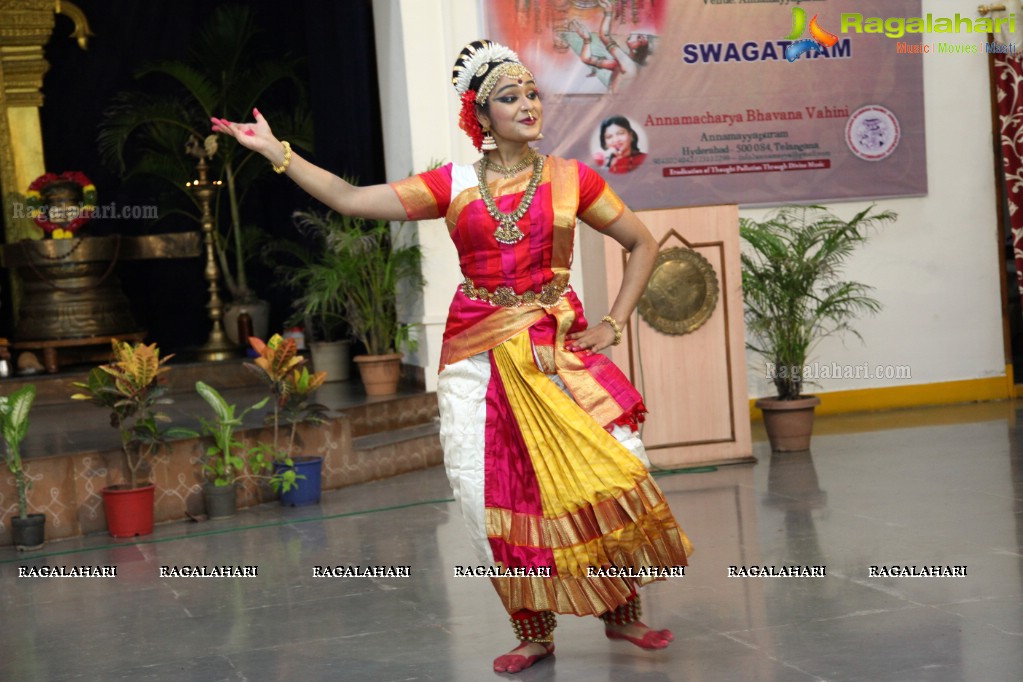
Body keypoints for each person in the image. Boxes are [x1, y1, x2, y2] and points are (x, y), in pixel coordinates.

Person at [211, 38, 691, 675]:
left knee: (603, 471)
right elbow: (355, 201)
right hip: (479, 355)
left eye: (531, 94)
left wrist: (614, 322)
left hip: (554, 351)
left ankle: (622, 613)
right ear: (481, 116)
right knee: (491, 493)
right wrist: (279, 155)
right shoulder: (454, 184)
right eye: (510, 97)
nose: (527, 104)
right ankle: (534, 630)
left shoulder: (576, 179)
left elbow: (641, 241)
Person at [569, 0, 651, 92]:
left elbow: (605, 36)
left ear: (635, 50)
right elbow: (587, 59)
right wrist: (586, 40)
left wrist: (608, 13)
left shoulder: (629, 66)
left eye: (639, 38)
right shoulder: (618, 65)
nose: (636, 34)